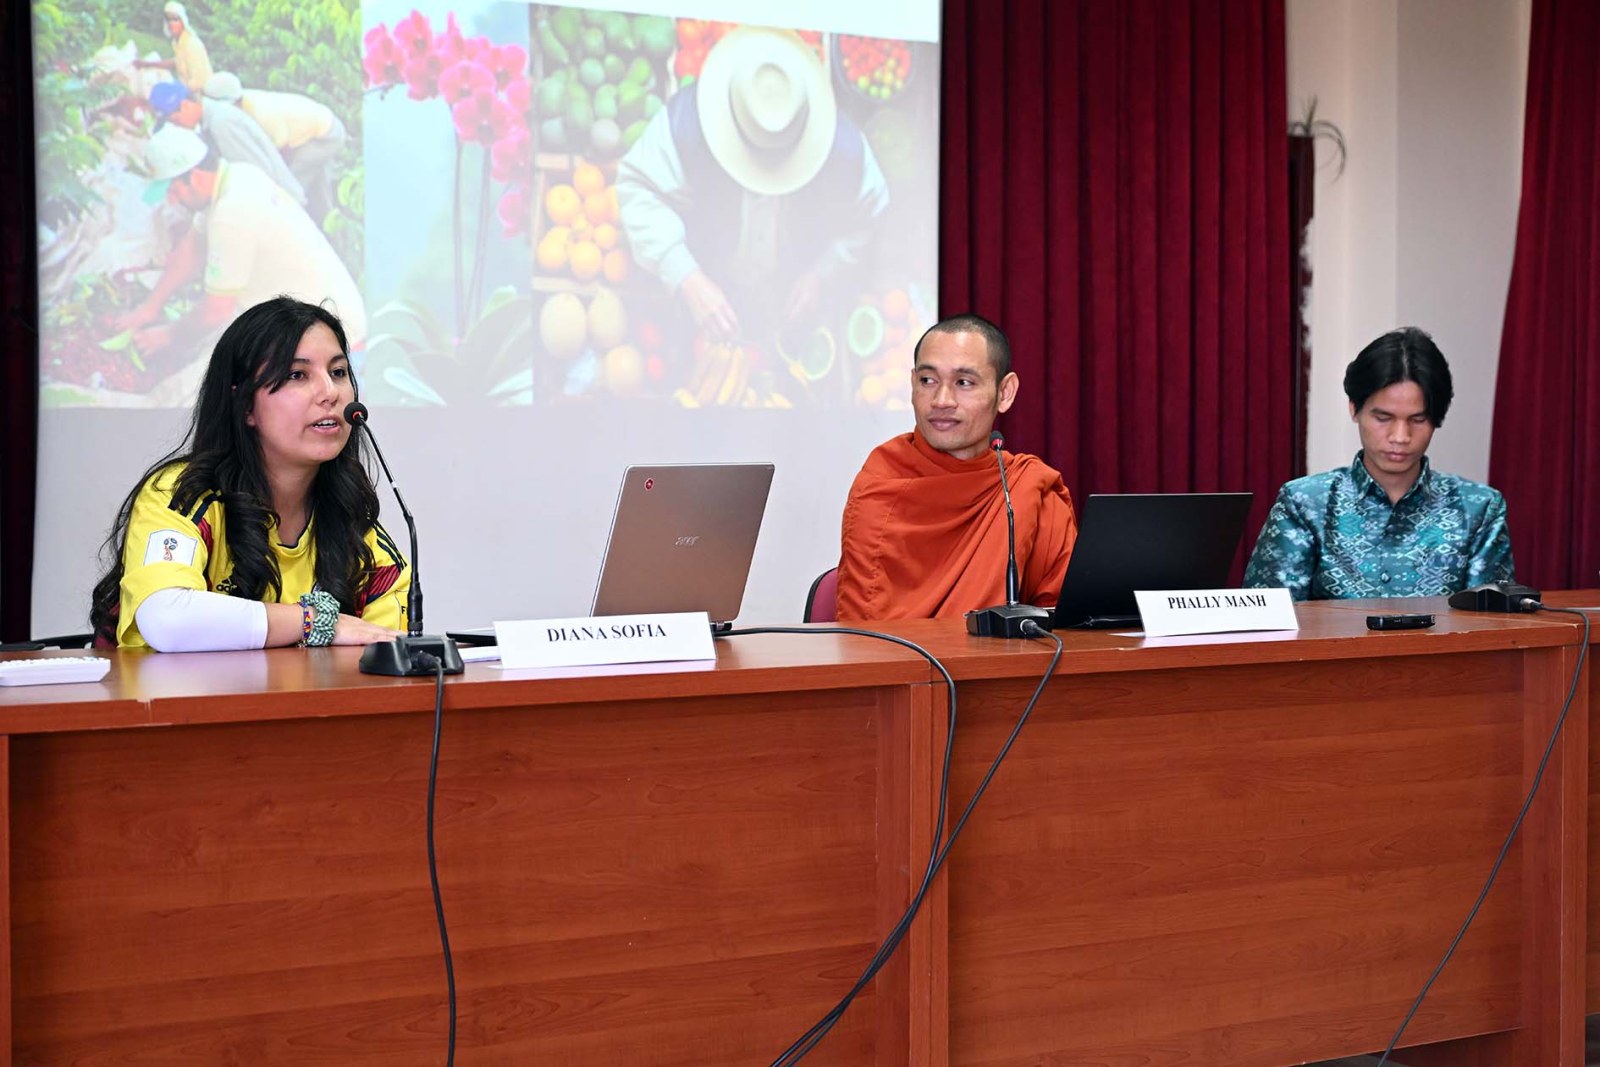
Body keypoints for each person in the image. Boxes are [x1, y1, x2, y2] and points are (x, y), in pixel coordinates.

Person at [89, 298, 408, 651]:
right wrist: (313, 621)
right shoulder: (183, 497)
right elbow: (167, 619)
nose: (331, 393)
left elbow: (382, 666)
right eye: (296, 375)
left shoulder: (364, 544)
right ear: (246, 407)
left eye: (338, 372)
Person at [615, 26, 889, 344]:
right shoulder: (685, 126)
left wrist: (821, 273)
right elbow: (636, 188)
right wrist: (686, 275)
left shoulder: (846, 153)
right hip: (706, 270)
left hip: (788, 286)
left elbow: (872, 211)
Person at [836, 314, 1079, 621]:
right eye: (928, 381)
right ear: (912, 385)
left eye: (964, 382)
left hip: (1005, 668)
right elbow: (860, 635)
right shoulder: (884, 481)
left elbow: (1063, 625)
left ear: (1005, 393)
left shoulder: (1024, 488)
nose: (941, 400)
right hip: (894, 666)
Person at [1244, 326, 1514, 599]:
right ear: (1354, 408)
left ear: (1437, 419)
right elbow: (1268, 620)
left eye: (1417, 420)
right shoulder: (1306, 503)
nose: (1400, 437)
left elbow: (1493, 624)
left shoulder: (1478, 508)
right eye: (1383, 418)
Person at [119, 125, 365, 364]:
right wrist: (149, 308)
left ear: (194, 177)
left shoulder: (232, 213)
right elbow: (191, 248)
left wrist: (169, 335)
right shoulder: (236, 176)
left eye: (173, 191)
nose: (172, 201)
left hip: (328, 338)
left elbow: (216, 310)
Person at [204, 72, 348, 226]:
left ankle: (294, 226)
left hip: (326, 135)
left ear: (235, 102)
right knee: (318, 187)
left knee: (292, 186)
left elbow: (280, 149)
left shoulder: (262, 112)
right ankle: (327, 225)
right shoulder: (244, 102)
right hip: (310, 132)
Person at [148, 80, 307, 207]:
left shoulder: (221, 123)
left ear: (186, 105)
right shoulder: (210, 121)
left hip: (281, 202)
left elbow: (253, 170)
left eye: (176, 120)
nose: (179, 126)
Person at [160, 1, 212, 93]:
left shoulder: (192, 44)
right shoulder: (177, 42)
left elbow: (199, 81)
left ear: (182, 21)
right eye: (168, 19)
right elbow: (176, 62)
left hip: (199, 97)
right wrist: (146, 64)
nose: (171, 24)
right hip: (185, 93)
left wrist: (178, 93)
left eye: (175, 19)